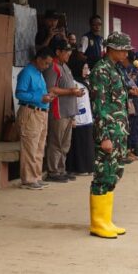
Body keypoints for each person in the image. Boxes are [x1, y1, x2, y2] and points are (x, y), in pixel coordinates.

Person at [87, 32, 138, 238]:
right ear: (111, 49)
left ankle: (106, 220)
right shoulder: (101, 71)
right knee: (103, 175)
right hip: (108, 131)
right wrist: (104, 136)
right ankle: (98, 223)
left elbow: (115, 96)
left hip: (120, 129)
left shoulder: (117, 69)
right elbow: (99, 105)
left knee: (114, 173)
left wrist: (131, 92)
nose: (126, 52)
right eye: (122, 49)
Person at [43, 40, 84, 183]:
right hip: (58, 110)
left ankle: (61, 169)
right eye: (66, 51)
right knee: (56, 142)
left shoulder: (65, 66)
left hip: (68, 110)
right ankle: (53, 171)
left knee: (65, 143)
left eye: (70, 51)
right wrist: (71, 91)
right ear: (58, 52)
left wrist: (75, 92)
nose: (69, 54)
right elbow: (50, 89)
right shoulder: (52, 67)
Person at [15, 47, 55, 190]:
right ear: (39, 59)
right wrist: (39, 97)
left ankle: (36, 176)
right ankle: (28, 180)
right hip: (31, 112)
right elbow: (19, 94)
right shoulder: (27, 72)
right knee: (30, 146)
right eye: (46, 63)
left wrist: (47, 97)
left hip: (42, 112)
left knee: (39, 146)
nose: (47, 66)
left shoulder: (39, 73)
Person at [67, 62, 95, 176]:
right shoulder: (73, 83)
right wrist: (72, 117)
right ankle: (79, 168)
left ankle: (87, 167)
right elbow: (71, 101)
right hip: (78, 118)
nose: (86, 71)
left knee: (87, 144)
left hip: (87, 118)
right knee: (79, 145)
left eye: (87, 68)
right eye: (84, 68)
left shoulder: (84, 82)